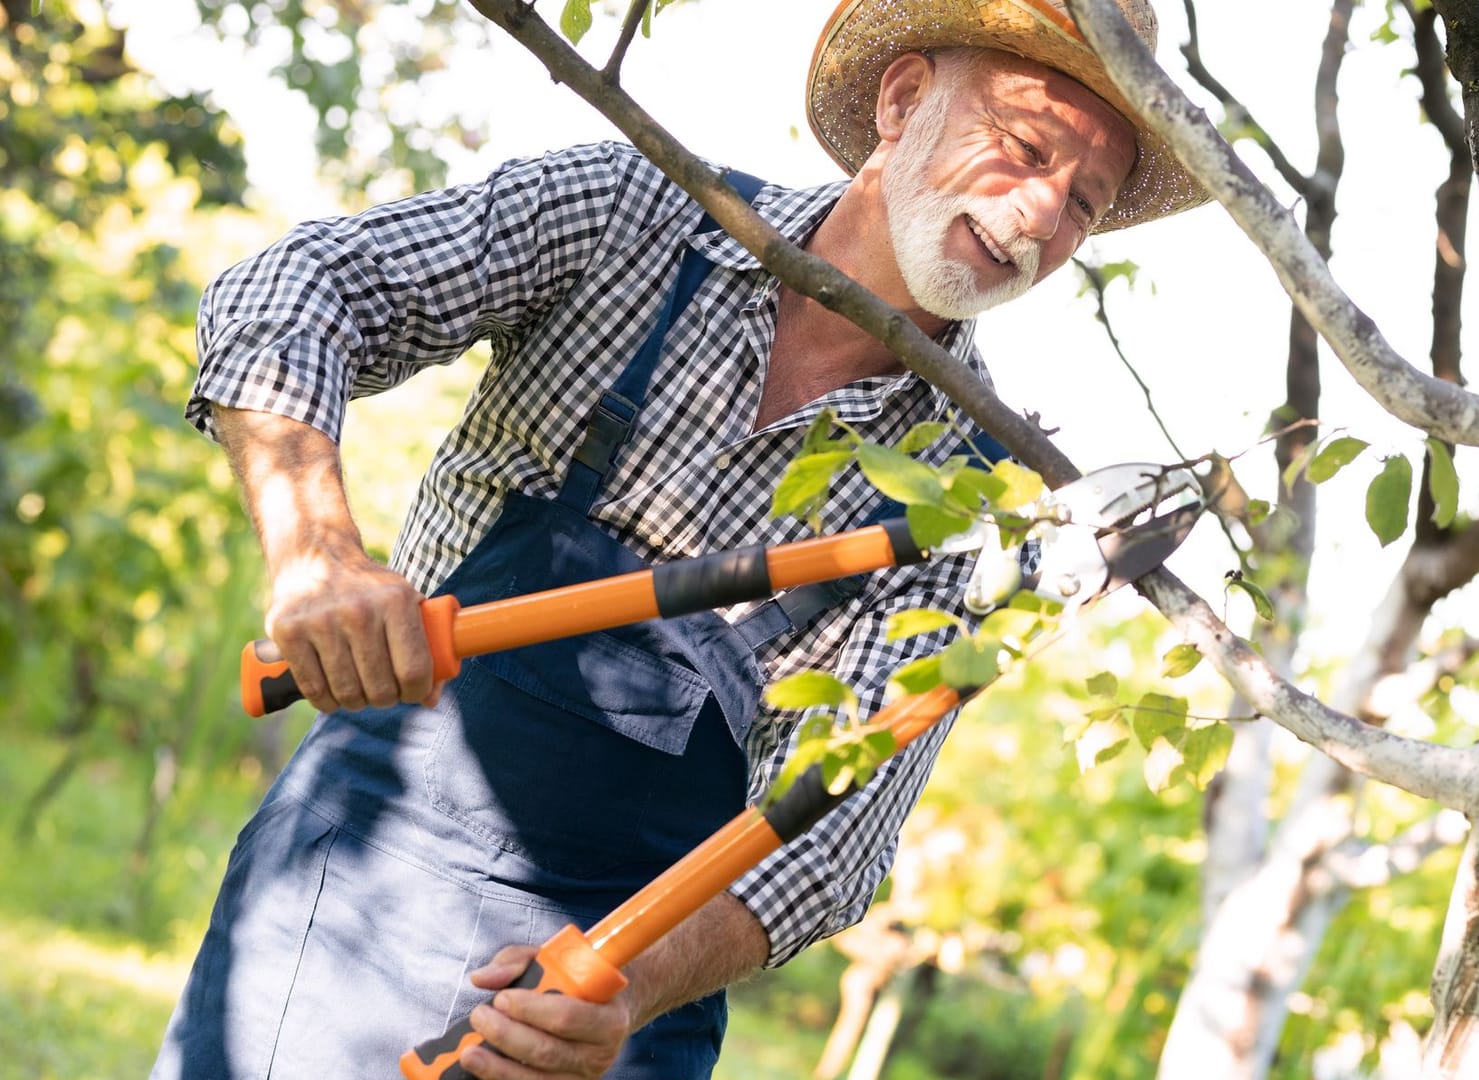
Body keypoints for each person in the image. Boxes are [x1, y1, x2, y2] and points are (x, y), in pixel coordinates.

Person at [152, 0, 1205, 1077]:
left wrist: (620, 993)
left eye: (1084, 201)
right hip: (357, 887)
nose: (1038, 216)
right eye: (1024, 148)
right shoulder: (633, 217)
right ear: (902, 101)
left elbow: (835, 835)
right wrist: (314, 549)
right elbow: (300, 289)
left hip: (625, 998)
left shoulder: (981, 499)